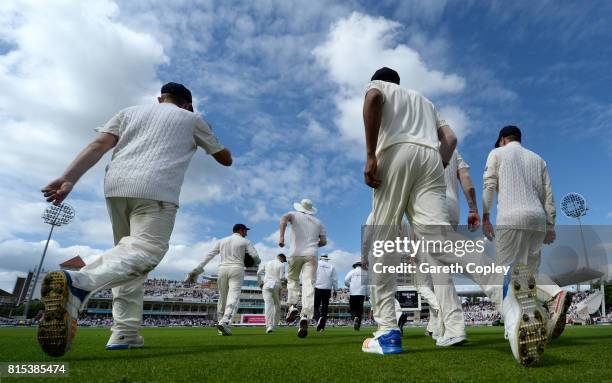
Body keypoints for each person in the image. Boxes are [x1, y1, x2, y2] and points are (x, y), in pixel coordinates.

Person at [360, 67, 545, 366]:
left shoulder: (379, 86)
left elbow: (373, 98)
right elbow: (450, 137)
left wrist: (371, 154)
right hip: (431, 160)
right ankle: (501, 285)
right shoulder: (424, 101)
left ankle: (387, 332)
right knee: (439, 238)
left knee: (384, 236)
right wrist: (439, 162)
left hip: (395, 153)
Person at [39, 82, 231, 356]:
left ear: (159, 99)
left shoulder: (128, 112)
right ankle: (80, 282)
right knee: (148, 250)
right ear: (187, 104)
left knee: (129, 261)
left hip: (116, 188)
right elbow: (225, 159)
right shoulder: (192, 118)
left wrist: (69, 178)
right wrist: (209, 135)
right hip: (156, 189)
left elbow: (99, 144)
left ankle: (124, 332)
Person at [482, 126, 570, 341]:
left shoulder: (497, 153)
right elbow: (548, 193)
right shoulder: (538, 159)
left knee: (508, 274)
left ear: (503, 140)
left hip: (511, 218)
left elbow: (489, 184)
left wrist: (485, 215)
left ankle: (524, 318)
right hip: (537, 220)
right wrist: (550, 225)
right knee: (528, 275)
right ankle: (546, 311)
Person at [186, 224, 260, 336]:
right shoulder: (245, 242)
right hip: (237, 268)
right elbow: (255, 256)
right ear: (240, 230)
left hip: (222, 269)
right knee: (233, 296)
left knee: (222, 297)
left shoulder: (222, 241)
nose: (246, 233)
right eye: (245, 231)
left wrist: (197, 269)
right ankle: (224, 321)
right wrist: (255, 262)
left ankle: (221, 326)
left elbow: (209, 255)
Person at [279, 198, 327, 338]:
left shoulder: (293, 214)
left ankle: (293, 305)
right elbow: (323, 241)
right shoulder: (318, 223)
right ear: (311, 210)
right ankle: (305, 314)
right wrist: (313, 245)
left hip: (295, 253)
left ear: (300, 207)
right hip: (311, 255)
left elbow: (283, 219)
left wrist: (281, 237)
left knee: (292, 279)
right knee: (308, 284)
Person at [257, 253, 287, 333]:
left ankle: (269, 326)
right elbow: (282, 278)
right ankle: (274, 325)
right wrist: (287, 281)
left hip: (266, 284)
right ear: (282, 258)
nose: (284, 262)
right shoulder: (281, 265)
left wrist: (260, 283)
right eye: (284, 260)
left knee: (268, 305)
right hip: (276, 284)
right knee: (277, 305)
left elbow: (258, 273)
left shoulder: (267, 263)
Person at [313, 254, 338, 332]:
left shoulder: (316, 264)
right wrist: (335, 290)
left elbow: (312, 275)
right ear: (327, 259)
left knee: (315, 306)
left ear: (320, 258)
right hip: (327, 289)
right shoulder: (331, 266)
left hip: (318, 287)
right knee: (325, 308)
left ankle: (318, 318)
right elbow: (335, 279)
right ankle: (322, 327)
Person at [345, 260, 368, 331]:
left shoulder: (352, 272)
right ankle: (358, 326)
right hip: (361, 293)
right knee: (359, 310)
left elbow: (346, 281)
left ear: (355, 265)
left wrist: (349, 285)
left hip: (353, 292)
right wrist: (367, 294)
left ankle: (354, 317)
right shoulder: (366, 273)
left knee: (353, 308)